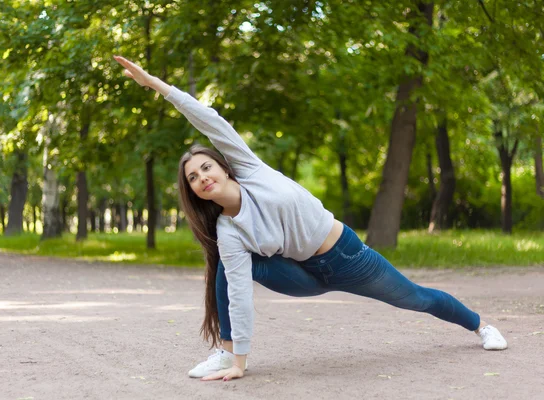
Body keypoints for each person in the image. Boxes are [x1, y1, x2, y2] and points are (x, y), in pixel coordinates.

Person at [113, 55, 508, 382]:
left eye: (204, 168)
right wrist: (240, 363)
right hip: (301, 277)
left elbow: (207, 119)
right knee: (226, 268)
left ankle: (479, 326)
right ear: (194, 191)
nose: (202, 178)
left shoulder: (250, 167)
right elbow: (238, 294)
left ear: (224, 167)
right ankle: (226, 354)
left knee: (416, 298)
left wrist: (158, 87)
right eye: (193, 179)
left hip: (348, 258)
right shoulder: (228, 229)